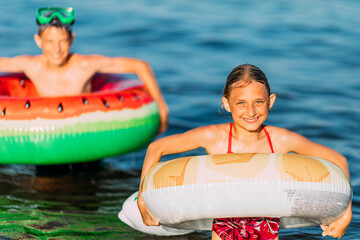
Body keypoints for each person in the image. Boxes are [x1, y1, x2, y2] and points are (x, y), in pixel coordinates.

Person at [137, 64, 352, 239]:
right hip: (224, 229)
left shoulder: (281, 140)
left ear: (271, 101)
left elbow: (338, 159)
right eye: (241, 103)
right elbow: (157, 148)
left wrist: (345, 214)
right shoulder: (214, 137)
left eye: (258, 102)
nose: (250, 111)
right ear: (227, 104)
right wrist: (143, 199)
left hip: (267, 229)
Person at [0, 7, 168, 133]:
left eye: (62, 41)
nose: (56, 49)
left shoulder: (84, 65)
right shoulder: (32, 65)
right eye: (50, 41)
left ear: (71, 40)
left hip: (85, 134)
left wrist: (161, 107)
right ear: (38, 41)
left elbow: (140, 66)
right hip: (46, 135)